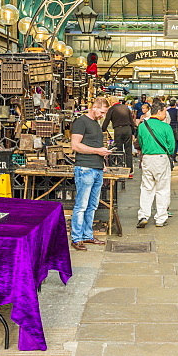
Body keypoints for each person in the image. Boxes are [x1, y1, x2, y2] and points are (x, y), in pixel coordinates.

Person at [70, 97, 112, 251]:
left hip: (97, 169)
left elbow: (95, 145)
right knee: (81, 205)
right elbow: (75, 145)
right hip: (85, 168)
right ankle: (76, 238)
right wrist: (97, 151)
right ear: (94, 107)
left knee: (92, 205)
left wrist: (102, 162)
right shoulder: (81, 122)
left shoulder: (95, 123)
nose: (103, 115)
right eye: (102, 112)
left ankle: (87, 235)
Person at [136, 102, 175, 228]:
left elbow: (140, 143)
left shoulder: (142, 126)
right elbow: (171, 146)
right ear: (159, 112)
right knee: (162, 189)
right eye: (164, 112)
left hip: (147, 158)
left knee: (147, 187)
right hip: (161, 158)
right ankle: (160, 218)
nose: (165, 115)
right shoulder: (166, 127)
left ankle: (143, 215)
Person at [102, 96, 137, 174]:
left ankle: (120, 169)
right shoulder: (126, 108)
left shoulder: (111, 109)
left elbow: (106, 121)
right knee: (128, 150)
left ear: (111, 102)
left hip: (118, 130)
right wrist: (133, 132)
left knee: (119, 150)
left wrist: (102, 130)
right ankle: (130, 170)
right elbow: (131, 121)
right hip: (128, 129)